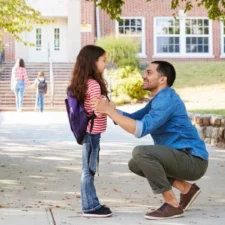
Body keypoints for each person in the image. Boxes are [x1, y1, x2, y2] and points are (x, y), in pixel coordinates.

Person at [91, 61, 208, 220]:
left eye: (149, 72)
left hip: (192, 159)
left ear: (162, 79)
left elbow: (140, 129)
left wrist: (110, 111)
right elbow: (134, 119)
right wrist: (111, 110)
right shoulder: (158, 100)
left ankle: (172, 204)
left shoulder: (167, 99)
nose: (144, 76)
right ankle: (186, 189)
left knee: (141, 152)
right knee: (136, 163)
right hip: (179, 157)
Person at [67, 45, 112, 218]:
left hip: (90, 131)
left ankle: (92, 201)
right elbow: (98, 111)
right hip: (92, 132)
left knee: (90, 168)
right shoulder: (93, 84)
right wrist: (109, 105)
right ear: (93, 62)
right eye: (103, 60)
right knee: (89, 169)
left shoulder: (85, 82)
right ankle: (89, 207)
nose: (105, 64)